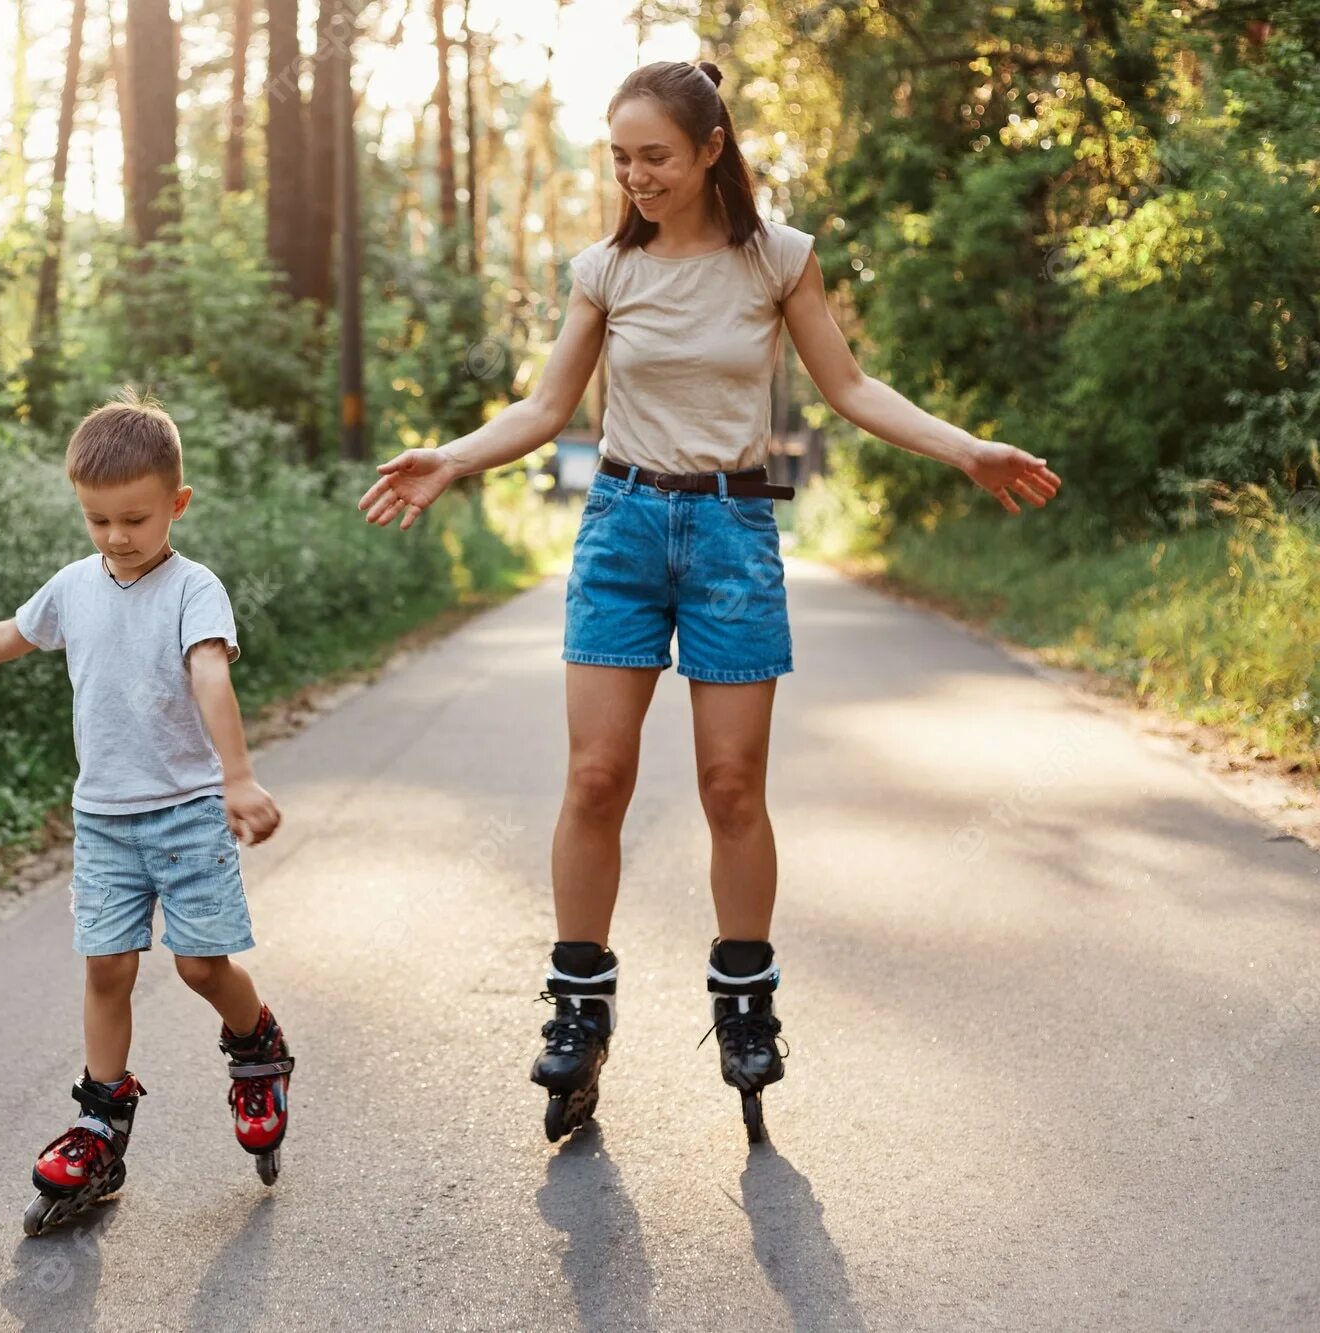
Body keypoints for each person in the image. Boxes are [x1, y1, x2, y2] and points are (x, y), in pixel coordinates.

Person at [357, 59, 1061, 1143]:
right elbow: (546, 407)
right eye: (620, 158)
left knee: (731, 786)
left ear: (708, 151)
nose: (634, 176)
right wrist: (449, 458)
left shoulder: (777, 261)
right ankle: (577, 1009)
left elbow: (851, 388)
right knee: (595, 776)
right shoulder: (604, 271)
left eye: (654, 156)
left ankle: (743, 1001)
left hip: (732, 533)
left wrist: (964, 449)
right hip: (623, 528)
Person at [0, 389, 294, 1228]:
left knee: (200, 966)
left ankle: (257, 1047)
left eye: (135, 517)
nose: (117, 537)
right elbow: (7, 636)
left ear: (177, 505)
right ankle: (101, 1118)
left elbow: (209, 675)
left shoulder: (196, 589)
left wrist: (236, 776)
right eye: (98, 521)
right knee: (106, 968)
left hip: (191, 811)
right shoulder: (74, 586)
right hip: (105, 819)